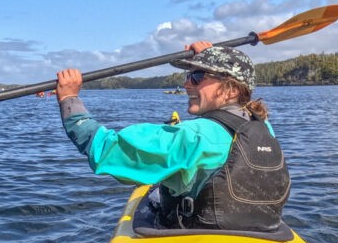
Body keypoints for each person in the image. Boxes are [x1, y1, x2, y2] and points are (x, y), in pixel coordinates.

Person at [55, 42, 290, 232]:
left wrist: (70, 102)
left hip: (197, 240)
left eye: (197, 77)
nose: (186, 84)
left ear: (231, 89)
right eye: (188, 76)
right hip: (260, 236)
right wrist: (206, 58)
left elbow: (107, 149)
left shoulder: (194, 137)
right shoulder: (262, 126)